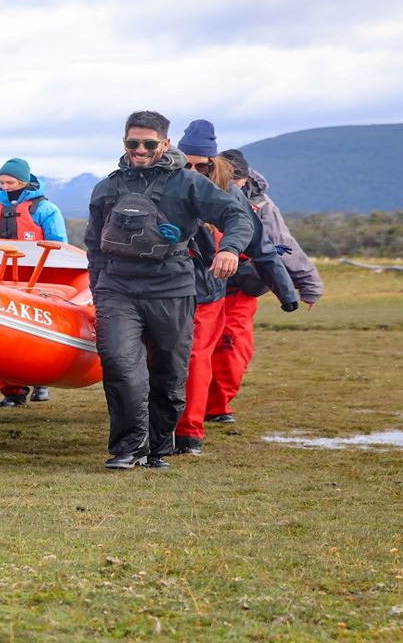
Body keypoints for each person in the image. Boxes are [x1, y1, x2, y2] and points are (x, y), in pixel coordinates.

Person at [84, 111, 254, 470]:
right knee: (120, 363)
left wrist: (229, 249)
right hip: (117, 288)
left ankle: (158, 447)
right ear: (124, 143)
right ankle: (129, 447)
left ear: (165, 144)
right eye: (132, 143)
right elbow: (94, 245)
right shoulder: (107, 188)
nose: (139, 150)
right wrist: (98, 290)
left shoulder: (188, 184)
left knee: (170, 373)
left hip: (171, 288)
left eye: (148, 144)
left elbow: (237, 216)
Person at [173, 124, 299, 455]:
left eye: (201, 165)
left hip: (206, 291)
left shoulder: (229, 193)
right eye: (186, 164)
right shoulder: (161, 183)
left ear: (212, 163)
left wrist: (286, 291)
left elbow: (261, 243)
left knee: (196, 358)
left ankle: (188, 433)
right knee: (157, 357)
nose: (193, 171)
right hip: (162, 288)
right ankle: (157, 428)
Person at [204, 148, 323, 424]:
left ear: (245, 179)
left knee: (232, 348)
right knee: (192, 350)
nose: (234, 186)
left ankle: (217, 406)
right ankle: (188, 408)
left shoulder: (262, 205)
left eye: (237, 181)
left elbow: (282, 243)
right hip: (198, 287)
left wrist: (308, 285)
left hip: (238, 289)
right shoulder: (197, 194)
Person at [0, 157, 69, 406]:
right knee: (4, 335)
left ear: (23, 181)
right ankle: (13, 392)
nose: (5, 187)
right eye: (1, 182)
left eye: (10, 182)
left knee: (40, 334)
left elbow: (60, 247)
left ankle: (42, 382)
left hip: (39, 278)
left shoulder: (45, 209)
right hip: (1, 278)